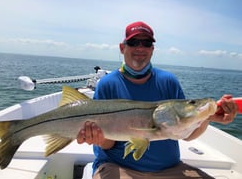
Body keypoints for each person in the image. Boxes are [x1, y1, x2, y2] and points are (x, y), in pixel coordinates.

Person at [77, 21, 238, 179]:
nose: (140, 48)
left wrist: (206, 117)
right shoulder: (108, 84)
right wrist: (97, 137)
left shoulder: (169, 81)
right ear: (122, 47)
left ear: (152, 49)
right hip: (118, 167)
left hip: (170, 170)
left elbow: (187, 135)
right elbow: (109, 144)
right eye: (133, 42)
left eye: (146, 43)